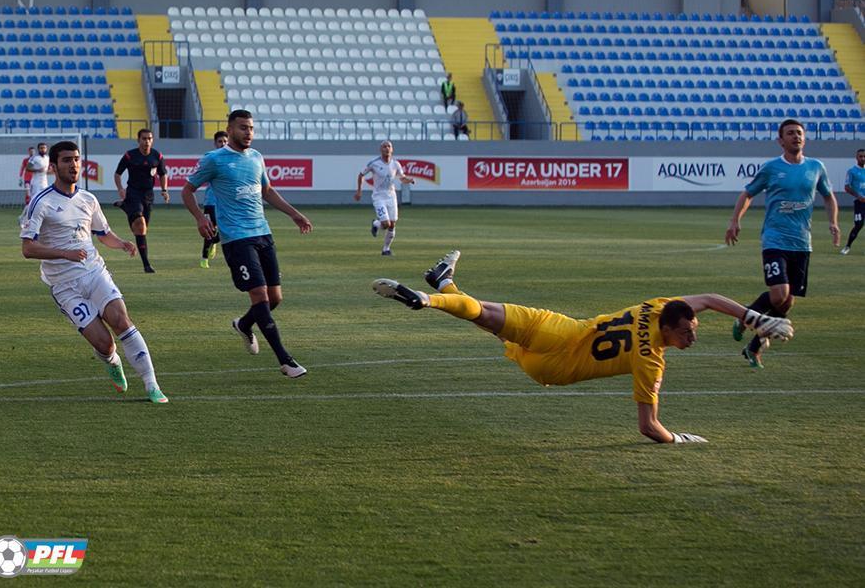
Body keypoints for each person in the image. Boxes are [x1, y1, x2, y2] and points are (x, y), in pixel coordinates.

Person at [372, 251, 794, 444]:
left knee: (485, 312)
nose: (693, 336)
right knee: (486, 321)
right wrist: (678, 439)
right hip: (549, 372)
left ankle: (430, 296)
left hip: (559, 334)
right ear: (668, 328)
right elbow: (648, 428)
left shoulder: (657, 307)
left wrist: (755, 320)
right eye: (686, 332)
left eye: (693, 330)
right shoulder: (650, 361)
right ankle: (441, 284)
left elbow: (710, 300)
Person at [19, 141, 168, 404]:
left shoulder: (88, 199)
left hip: (94, 272)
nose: (73, 164)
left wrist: (121, 243)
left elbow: (102, 233)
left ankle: (152, 385)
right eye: (66, 160)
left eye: (76, 159)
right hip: (64, 285)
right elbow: (28, 248)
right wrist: (64, 254)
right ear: (53, 166)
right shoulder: (41, 202)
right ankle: (112, 360)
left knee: (122, 321)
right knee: (104, 344)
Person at [182, 109, 312, 378]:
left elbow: (267, 191)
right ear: (230, 130)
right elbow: (187, 190)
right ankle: (285, 360)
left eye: (251, 128)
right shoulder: (214, 159)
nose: (248, 132)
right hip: (237, 239)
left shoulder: (256, 157)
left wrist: (294, 214)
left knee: (275, 298)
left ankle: (243, 324)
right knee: (260, 297)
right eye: (243, 127)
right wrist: (200, 218)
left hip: (263, 233)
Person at [725, 119, 839, 368]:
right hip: (774, 239)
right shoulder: (771, 168)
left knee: (787, 302)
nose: (796, 136)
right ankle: (745, 317)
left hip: (802, 242)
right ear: (781, 140)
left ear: (804, 138)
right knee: (780, 295)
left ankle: (753, 347)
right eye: (790, 133)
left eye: (799, 133)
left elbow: (829, 196)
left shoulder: (816, 167)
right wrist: (735, 221)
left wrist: (833, 222)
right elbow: (748, 193)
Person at [114, 128, 169, 273]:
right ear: (138, 140)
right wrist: (120, 188)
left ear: (152, 140)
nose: (147, 141)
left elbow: (163, 174)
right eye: (144, 138)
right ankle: (146, 264)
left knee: (140, 231)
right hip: (133, 192)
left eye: (149, 138)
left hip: (148, 195)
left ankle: (126, 208)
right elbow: (118, 173)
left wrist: (164, 190)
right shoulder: (130, 155)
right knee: (140, 224)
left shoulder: (157, 156)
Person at [354, 140, 415, 256]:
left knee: (392, 224)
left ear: (392, 149)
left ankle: (386, 249)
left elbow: (402, 178)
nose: (387, 148)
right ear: (380, 149)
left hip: (391, 196)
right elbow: (361, 175)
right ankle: (376, 223)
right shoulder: (374, 163)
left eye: (389, 146)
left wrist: (409, 180)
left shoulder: (396, 164)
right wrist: (359, 191)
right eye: (384, 146)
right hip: (379, 197)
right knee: (386, 224)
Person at [199, 130, 229, 269]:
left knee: (226, 230)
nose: (223, 144)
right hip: (211, 201)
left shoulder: (233, 159)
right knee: (209, 230)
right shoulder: (211, 158)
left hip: (226, 202)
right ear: (215, 143)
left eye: (225, 141)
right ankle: (204, 259)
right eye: (220, 141)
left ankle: (214, 242)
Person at [840, 148, 865, 255]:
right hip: (860, 203)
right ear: (856, 158)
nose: (863, 158)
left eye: (864, 156)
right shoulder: (852, 171)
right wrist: (858, 196)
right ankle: (847, 246)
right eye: (860, 156)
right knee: (859, 225)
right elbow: (847, 187)